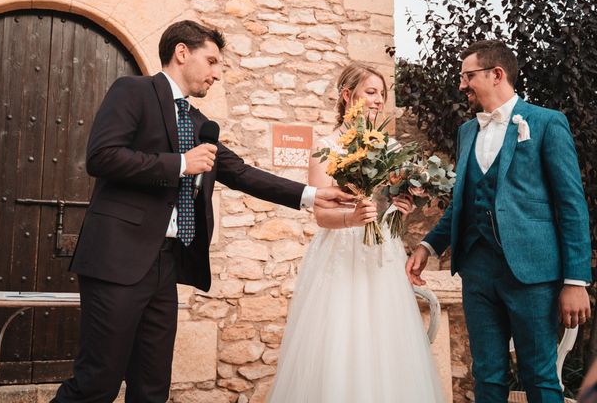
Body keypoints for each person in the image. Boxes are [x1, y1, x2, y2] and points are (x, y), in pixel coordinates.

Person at [52, 20, 353, 403]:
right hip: (116, 260)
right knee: (96, 384)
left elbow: (242, 173)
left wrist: (313, 195)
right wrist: (179, 164)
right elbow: (102, 156)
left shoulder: (197, 123)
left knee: (152, 388)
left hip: (165, 266)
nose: (216, 74)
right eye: (211, 62)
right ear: (182, 52)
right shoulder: (133, 91)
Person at [406, 40, 592, 402]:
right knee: (487, 375)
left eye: (468, 75)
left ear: (496, 74)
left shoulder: (546, 123)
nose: (461, 85)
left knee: (539, 377)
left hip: (533, 275)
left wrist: (575, 280)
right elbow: (463, 201)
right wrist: (428, 245)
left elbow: (572, 206)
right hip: (477, 273)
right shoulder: (466, 132)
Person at [267, 63, 445, 402]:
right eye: (370, 92)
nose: (379, 101)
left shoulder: (391, 150)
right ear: (348, 96)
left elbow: (388, 214)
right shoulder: (327, 148)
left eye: (382, 94)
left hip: (382, 257)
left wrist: (397, 213)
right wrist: (353, 218)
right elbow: (321, 214)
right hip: (339, 256)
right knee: (339, 338)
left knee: (385, 343)